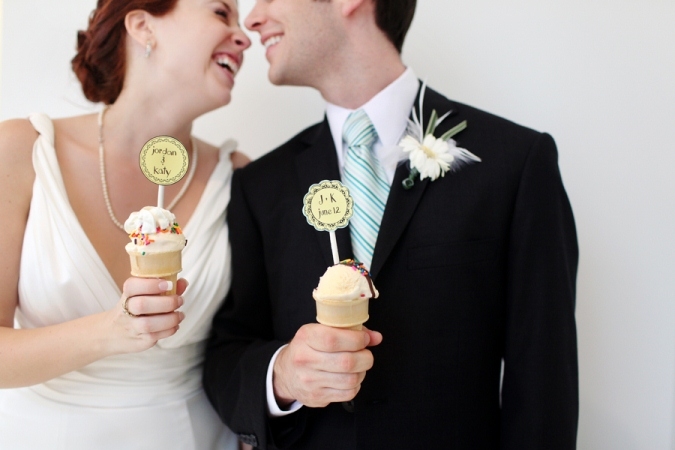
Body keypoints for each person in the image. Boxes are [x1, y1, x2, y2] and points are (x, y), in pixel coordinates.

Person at [203, 0, 579, 449]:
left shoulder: (514, 163)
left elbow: (543, 378)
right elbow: (226, 353)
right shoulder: (260, 186)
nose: (253, 18)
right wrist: (280, 375)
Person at [0, 0, 250, 448]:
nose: (244, 35)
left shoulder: (242, 179)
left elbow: (252, 346)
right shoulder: (21, 152)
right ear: (142, 25)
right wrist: (110, 331)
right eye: (220, 13)